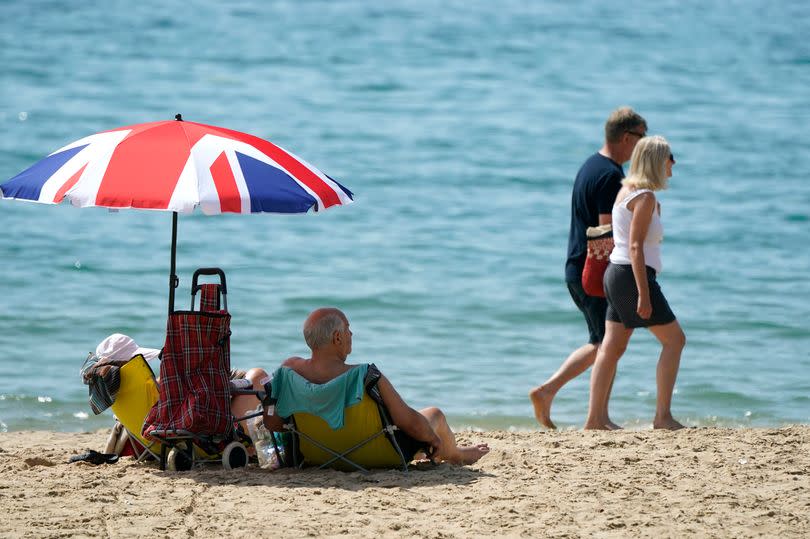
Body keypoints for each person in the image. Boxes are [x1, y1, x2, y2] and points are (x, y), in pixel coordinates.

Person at [530, 107, 648, 429]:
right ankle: (570, 403)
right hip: (593, 271)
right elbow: (607, 232)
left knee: (603, 341)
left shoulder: (590, 166)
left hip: (578, 265)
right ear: (627, 138)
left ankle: (575, 405)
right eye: (642, 137)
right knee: (606, 343)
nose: (644, 145)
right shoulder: (610, 176)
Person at [262, 307, 490, 465]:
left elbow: (273, 422)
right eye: (348, 329)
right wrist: (433, 440)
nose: (352, 334)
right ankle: (456, 454)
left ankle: (453, 451)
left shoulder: (289, 373)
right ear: (337, 338)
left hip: (318, 455)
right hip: (379, 455)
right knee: (434, 415)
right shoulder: (365, 375)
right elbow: (408, 422)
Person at [584, 135, 685, 430]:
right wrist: (644, 294)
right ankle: (662, 417)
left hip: (616, 273)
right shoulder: (644, 197)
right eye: (669, 156)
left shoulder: (626, 191)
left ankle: (595, 420)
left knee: (612, 347)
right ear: (656, 161)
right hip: (630, 275)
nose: (673, 162)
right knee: (675, 340)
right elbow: (636, 248)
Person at [91, 333, 269, 453]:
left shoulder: (111, 387)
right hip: (200, 443)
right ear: (131, 360)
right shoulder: (149, 387)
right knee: (259, 376)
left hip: (154, 445)